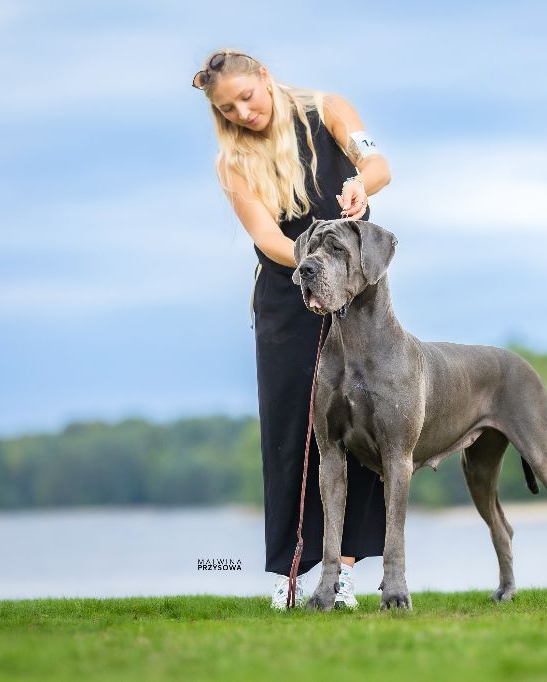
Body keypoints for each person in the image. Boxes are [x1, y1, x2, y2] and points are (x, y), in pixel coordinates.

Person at [192, 50, 391, 610]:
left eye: (246, 97)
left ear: (264, 77)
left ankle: (342, 572)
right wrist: (315, 268)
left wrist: (362, 185)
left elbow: (378, 164)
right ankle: (294, 572)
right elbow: (268, 239)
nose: (242, 113)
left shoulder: (328, 110)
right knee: (291, 432)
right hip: (288, 299)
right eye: (227, 109)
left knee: (360, 425)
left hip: (355, 292)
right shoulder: (231, 161)